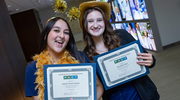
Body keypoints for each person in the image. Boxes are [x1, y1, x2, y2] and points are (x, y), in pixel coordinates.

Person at [79, 1, 159, 100]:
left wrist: (151, 61)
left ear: (105, 22)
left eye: (99, 20)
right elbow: (95, 86)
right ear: (85, 25)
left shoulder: (122, 35)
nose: (95, 25)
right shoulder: (85, 55)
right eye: (90, 21)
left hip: (143, 95)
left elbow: (149, 60)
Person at [25, 17, 103, 100]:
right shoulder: (32, 69)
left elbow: (99, 86)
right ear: (45, 35)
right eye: (56, 30)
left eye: (66, 32)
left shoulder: (80, 57)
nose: (62, 36)